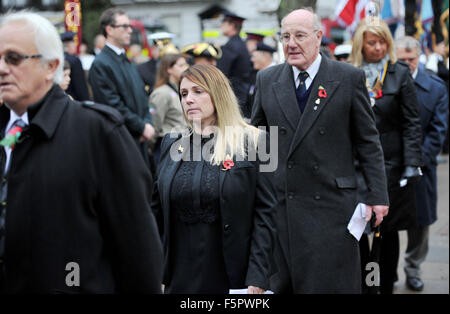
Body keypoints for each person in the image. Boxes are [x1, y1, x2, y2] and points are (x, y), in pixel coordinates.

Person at [0, 11, 163, 293]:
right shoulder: (6, 129)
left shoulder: (96, 132)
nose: (2, 68)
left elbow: (138, 249)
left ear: (51, 67)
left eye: (13, 59)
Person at [251, 8, 389, 294]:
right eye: (285, 36)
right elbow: (259, 142)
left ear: (317, 37)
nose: (291, 43)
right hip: (284, 207)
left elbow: (368, 141)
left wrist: (377, 195)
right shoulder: (267, 80)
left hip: (333, 206)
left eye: (299, 36)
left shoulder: (348, 77)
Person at [152, 64, 276, 294]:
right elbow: (155, 211)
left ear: (218, 94)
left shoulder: (256, 141)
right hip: (179, 275)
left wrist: (258, 276)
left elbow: (267, 214)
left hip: (231, 275)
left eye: (198, 92)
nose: (189, 99)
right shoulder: (172, 143)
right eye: (184, 94)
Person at [350, 17, 423, 294]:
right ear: (361, 44)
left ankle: (384, 284)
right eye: (372, 43)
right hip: (354, 165)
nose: (378, 48)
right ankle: (363, 284)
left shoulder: (399, 73)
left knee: (386, 232)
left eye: (383, 42)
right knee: (356, 230)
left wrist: (412, 163)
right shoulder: (348, 72)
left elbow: (411, 123)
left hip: (390, 166)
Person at [395, 36, 448, 292]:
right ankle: (385, 270)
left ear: (419, 57)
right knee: (387, 222)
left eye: (411, 59)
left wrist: (417, 161)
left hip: (421, 168)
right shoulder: (382, 82)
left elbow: (438, 130)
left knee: (421, 222)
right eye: (401, 60)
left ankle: (413, 268)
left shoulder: (435, 87)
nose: (406, 64)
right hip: (390, 165)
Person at [88, 8, 155, 169]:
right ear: (109, 30)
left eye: (129, 26)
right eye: (124, 26)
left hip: (139, 138)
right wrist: (141, 127)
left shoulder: (126, 59)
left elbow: (141, 95)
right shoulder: (101, 64)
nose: (130, 30)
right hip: (122, 141)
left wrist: (146, 123)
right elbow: (112, 105)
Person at [148, 53, 189, 165]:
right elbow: (154, 123)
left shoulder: (177, 90)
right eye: (181, 65)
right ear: (169, 69)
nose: (186, 68)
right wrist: (152, 147)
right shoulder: (161, 93)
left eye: (185, 64)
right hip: (167, 146)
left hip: (182, 144)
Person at [217, 12, 252, 119]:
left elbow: (221, 73)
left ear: (232, 26)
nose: (221, 26)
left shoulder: (231, 46)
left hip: (235, 95)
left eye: (223, 23)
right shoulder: (239, 43)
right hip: (242, 93)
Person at [61, 31, 90, 101]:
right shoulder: (74, 60)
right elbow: (80, 85)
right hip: (75, 100)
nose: (75, 46)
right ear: (69, 46)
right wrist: (86, 101)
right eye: (74, 44)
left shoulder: (58, 58)